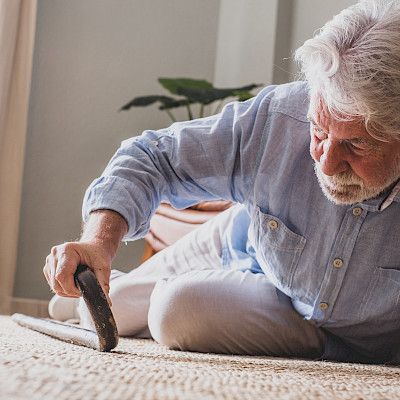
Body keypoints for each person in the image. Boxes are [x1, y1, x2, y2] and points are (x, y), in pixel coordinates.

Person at [44, 0, 400, 364]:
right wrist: (98, 242)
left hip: (306, 321)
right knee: (98, 306)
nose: (325, 163)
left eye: (356, 144)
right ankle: (101, 296)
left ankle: (127, 296)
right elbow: (152, 157)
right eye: (319, 131)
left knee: (175, 311)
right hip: (245, 241)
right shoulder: (278, 116)